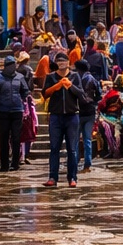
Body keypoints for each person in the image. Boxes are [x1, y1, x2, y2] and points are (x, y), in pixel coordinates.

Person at [42, 53, 83, 188]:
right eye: (59, 61)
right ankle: (53, 177)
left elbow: (80, 94)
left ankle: (72, 177)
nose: (61, 63)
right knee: (54, 148)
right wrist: (57, 86)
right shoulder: (50, 77)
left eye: (63, 61)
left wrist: (70, 85)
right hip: (56, 116)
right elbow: (45, 93)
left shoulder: (75, 76)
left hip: (72, 116)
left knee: (72, 149)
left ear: (68, 62)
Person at [0, 55, 31, 173]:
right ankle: (4, 164)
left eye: (14, 64)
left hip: (17, 111)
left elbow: (25, 90)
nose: (12, 67)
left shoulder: (20, 77)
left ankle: (15, 163)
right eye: (10, 65)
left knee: (16, 138)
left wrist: (21, 100)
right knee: (3, 138)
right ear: (6, 66)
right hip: (3, 111)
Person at [73, 58, 101, 173]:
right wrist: (93, 103)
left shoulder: (75, 79)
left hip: (78, 112)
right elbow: (99, 95)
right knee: (87, 139)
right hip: (90, 112)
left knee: (75, 140)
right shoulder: (93, 79)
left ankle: (74, 162)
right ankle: (87, 164)